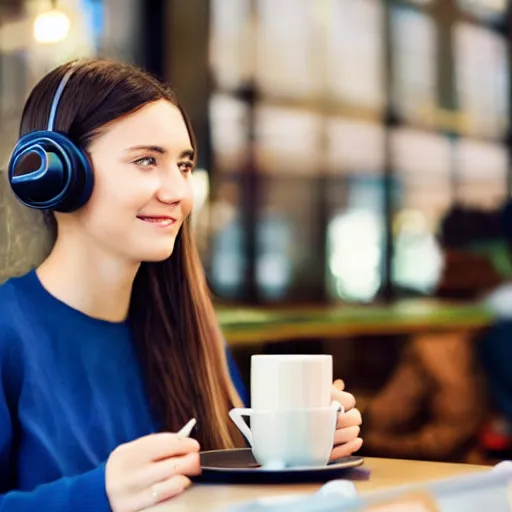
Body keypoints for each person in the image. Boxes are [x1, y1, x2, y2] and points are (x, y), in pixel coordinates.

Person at [0, 58, 362, 512]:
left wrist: (296, 452)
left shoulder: (185, 328)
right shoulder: (8, 331)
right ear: (59, 172)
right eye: (146, 161)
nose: (178, 192)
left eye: (185, 166)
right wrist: (97, 496)